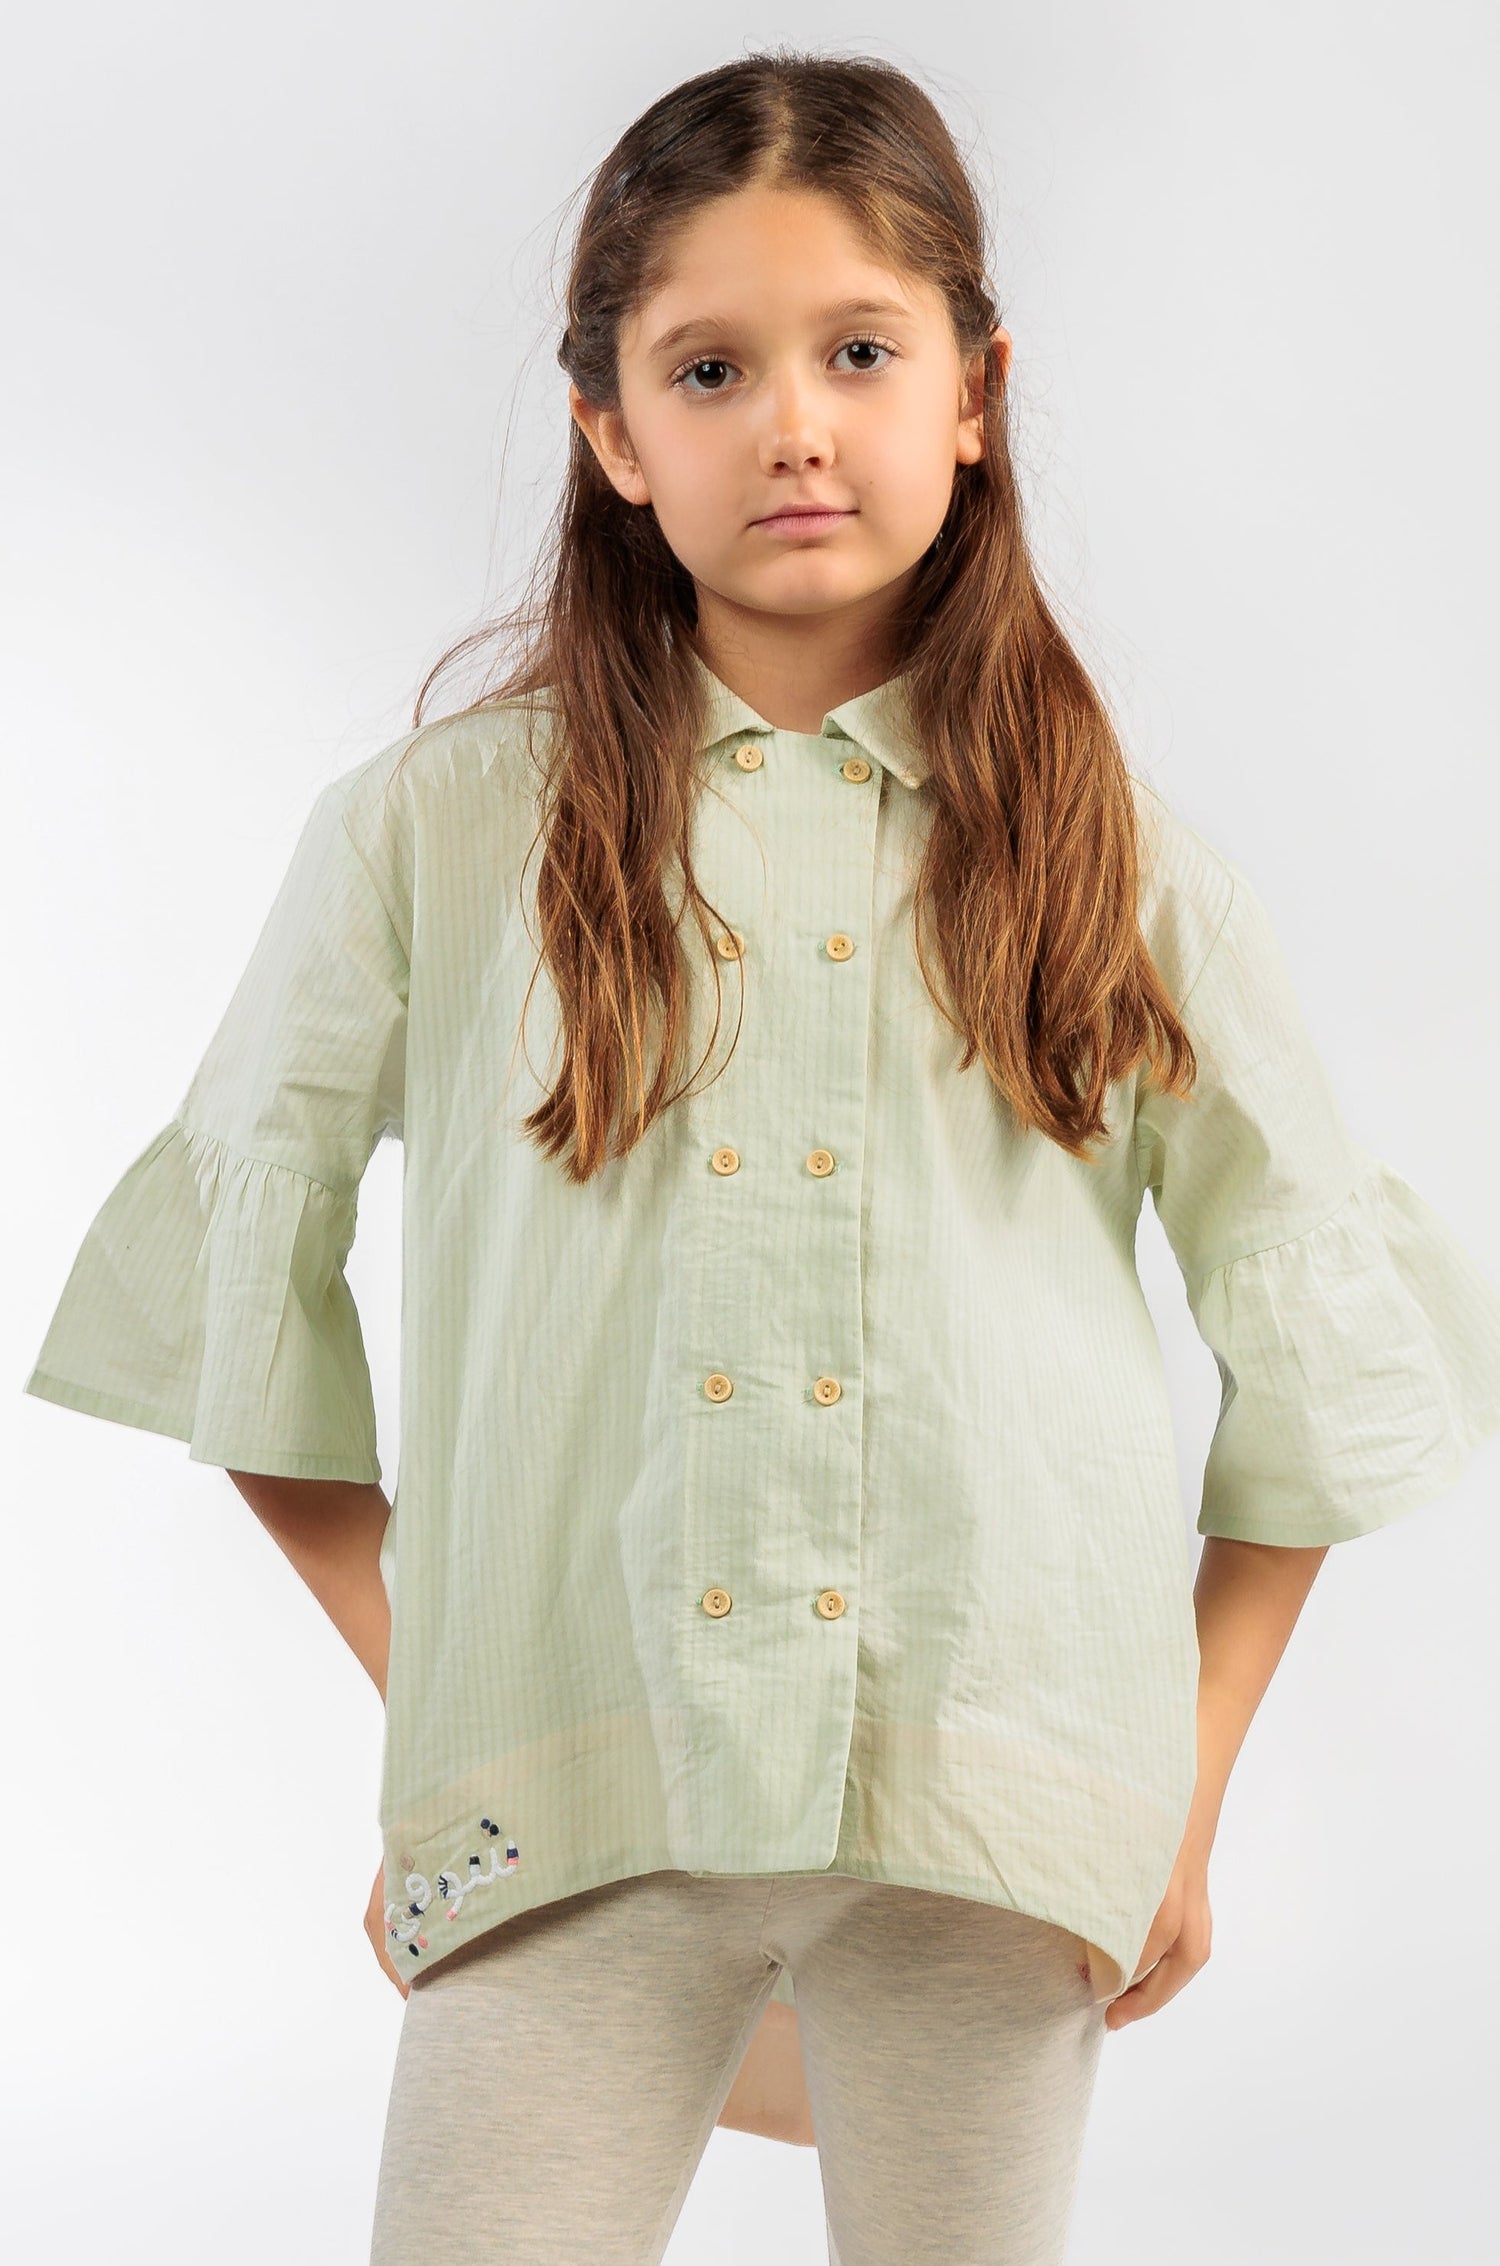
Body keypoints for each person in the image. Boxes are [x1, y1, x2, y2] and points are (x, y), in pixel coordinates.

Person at [22, 47, 1500, 2266]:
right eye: (710, 367)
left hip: (996, 1823)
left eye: (860, 352)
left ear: (977, 391)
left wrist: (1181, 1779)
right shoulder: (435, 837)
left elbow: (1314, 1356)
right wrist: (454, 1717)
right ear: (615, 433)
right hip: (568, 1826)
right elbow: (236, 1298)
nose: (794, 423)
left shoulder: (1120, 866)